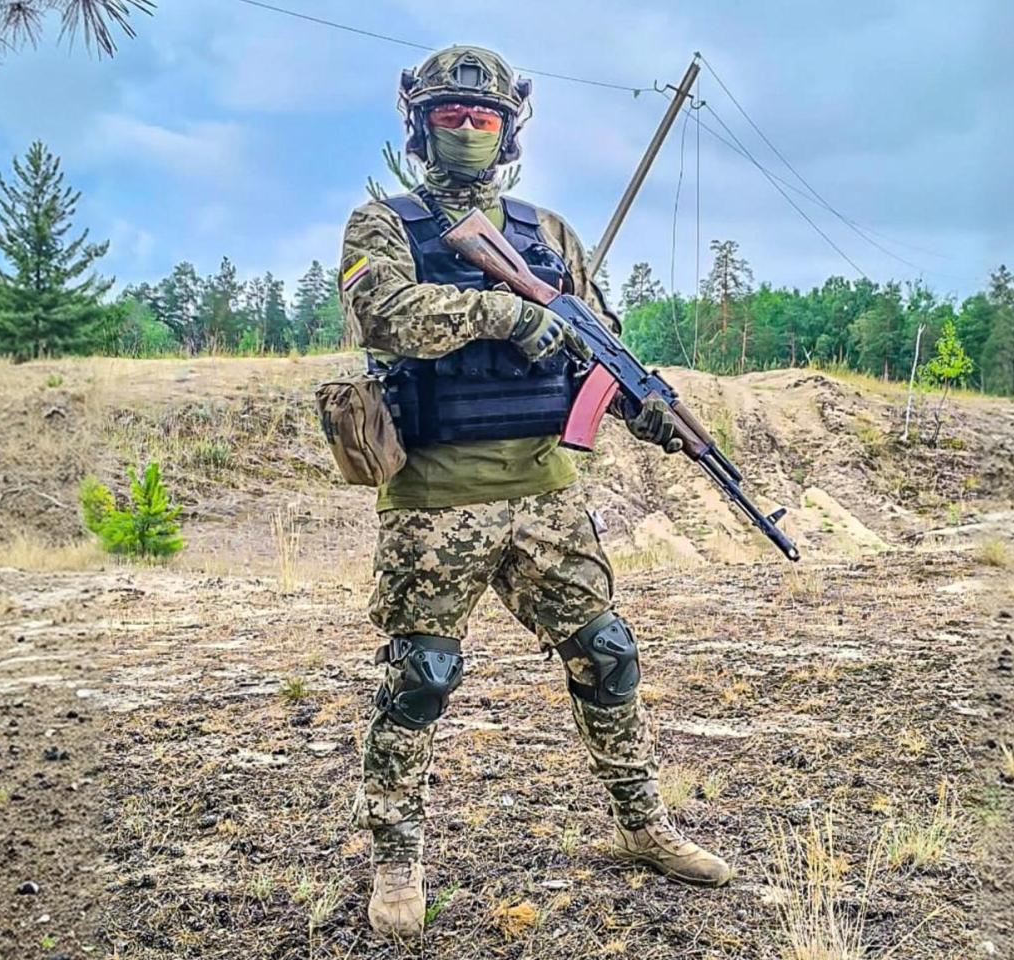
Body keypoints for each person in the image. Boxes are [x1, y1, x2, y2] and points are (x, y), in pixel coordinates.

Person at [337, 44, 735, 942]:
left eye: (484, 119)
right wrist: (509, 312)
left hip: (548, 492)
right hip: (437, 497)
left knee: (608, 652)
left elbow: (597, 348)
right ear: (419, 127)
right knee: (419, 677)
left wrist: (649, 411)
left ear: (510, 129)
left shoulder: (548, 233)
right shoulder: (382, 226)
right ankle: (397, 856)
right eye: (451, 118)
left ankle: (642, 825)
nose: (469, 131)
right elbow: (386, 316)